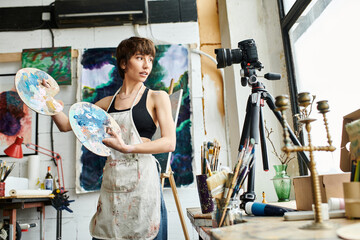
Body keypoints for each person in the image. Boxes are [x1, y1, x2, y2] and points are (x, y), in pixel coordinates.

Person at [47, 36, 175, 239]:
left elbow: (169, 142)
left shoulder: (157, 97)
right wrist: (46, 99)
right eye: (140, 57)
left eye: (150, 59)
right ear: (124, 63)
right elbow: (64, 125)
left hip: (143, 184)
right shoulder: (107, 103)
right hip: (114, 184)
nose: (146, 65)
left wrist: (128, 148)